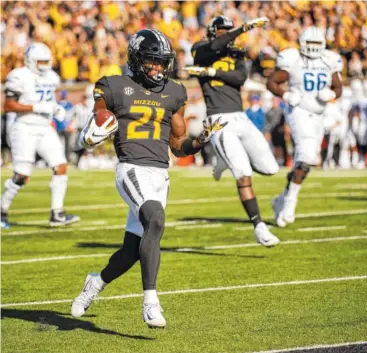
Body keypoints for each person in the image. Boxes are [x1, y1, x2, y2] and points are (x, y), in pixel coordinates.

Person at [71, 29, 225, 329]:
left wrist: (201, 140)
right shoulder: (115, 86)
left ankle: (95, 282)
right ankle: (151, 301)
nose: (157, 68)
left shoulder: (174, 92)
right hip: (131, 168)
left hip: (159, 174)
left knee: (132, 249)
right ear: (137, 59)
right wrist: (91, 132)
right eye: (151, 62)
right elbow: (97, 118)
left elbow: (178, 146)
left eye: (161, 62)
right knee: (156, 220)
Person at [185, 16, 280, 247]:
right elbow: (214, 48)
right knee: (243, 175)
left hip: (240, 116)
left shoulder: (236, 53)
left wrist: (211, 73)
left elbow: (240, 78)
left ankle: (224, 160)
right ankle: (259, 225)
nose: (226, 34)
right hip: (219, 119)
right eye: (222, 30)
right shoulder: (201, 49)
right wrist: (242, 29)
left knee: (270, 168)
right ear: (212, 31)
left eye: (228, 30)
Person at [267, 27, 343, 227]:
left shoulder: (329, 60)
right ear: (301, 43)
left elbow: (338, 87)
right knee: (306, 157)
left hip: (319, 114)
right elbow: (272, 82)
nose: (312, 48)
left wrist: (333, 94)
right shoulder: (293, 59)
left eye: (316, 44)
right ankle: (290, 202)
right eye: (309, 44)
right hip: (298, 110)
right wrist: (285, 95)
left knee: (308, 161)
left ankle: (281, 200)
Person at [1, 42, 80, 229]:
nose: (44, 65)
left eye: (47, 61)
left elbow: (49, 100)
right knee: (22, 175)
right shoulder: (18, 76)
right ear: (30, 61)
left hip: (44, 126)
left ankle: (57, 214)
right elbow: (8, 106)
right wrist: (36, 107)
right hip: (24, 127)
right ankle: (2, 210)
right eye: (41, 61)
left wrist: (56, 109)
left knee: (60, 166)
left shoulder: (52, 76)